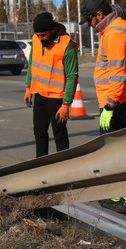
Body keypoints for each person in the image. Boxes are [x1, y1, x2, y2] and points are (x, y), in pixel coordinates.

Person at [80, 0, 126, 211]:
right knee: (119, 151)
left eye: (89, 20)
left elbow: (118, 74)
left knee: (117, 153)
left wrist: (109, 107)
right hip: (124, 99)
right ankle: (121, 196)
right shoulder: (122, 26)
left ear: (100, 15)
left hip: (117, 104)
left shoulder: (114, 34)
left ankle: (125, 199)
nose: (89, 25)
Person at [24, 12, 78, 157]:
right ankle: (40, 164)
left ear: (52, 30)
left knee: (59, 134)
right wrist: (28, 87)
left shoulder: (67, 45)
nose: (40, 38)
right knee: (39, 133)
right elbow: (32, 64)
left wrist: (66, 105)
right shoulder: (36, 39)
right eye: (38, 35)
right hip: (39, 94)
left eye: (43, 35)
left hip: (57, 98)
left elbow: (72, 76)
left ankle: (63, 165)